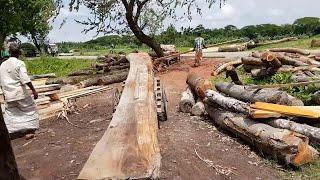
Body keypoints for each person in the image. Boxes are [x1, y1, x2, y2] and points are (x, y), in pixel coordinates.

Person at [0, 43, 39, 138]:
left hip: (8, 94)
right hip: (20, 93)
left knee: (11, 112)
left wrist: (4, 93)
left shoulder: (2, 65)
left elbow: (1, 80)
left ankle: (12, 131)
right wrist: (34, 90)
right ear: (19, 52)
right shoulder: (19, 63)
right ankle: (30, 129)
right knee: (30, 109)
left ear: (9, 52)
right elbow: (25, 79)